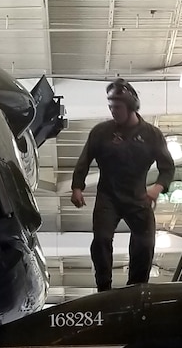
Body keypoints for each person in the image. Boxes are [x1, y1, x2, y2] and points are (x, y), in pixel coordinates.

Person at [70, 79, 175, 292]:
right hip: (108, 196)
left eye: (117, 107)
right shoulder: (101, 132)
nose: (113, 111)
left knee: (144, 244)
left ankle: (136, 288)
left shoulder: (152, 135)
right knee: (101, 239)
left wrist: (157, 188)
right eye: (110, 107)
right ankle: (104, 287)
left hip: (138, 197)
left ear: (131, 107)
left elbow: (167, 167)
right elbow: (85, 159)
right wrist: (77, 187)